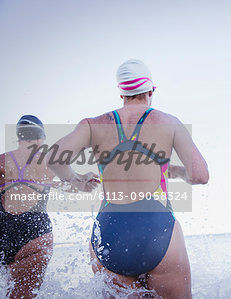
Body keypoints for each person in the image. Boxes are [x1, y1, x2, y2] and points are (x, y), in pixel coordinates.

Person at [47, 59, 209, 298]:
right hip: (157, 226)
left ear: (121, 93)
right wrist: (177, 172)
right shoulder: (169, 122)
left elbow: (54, 159)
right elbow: (200, 175)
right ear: (151, 90)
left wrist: (77, 181)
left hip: (110, 231)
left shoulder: (93, 125)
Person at [0, 115, 84, 298]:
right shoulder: (48, 160)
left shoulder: (2, 160)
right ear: (40, 137)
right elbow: (75, 186)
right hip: (34, 234)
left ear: (19, 136)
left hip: (3, 232)